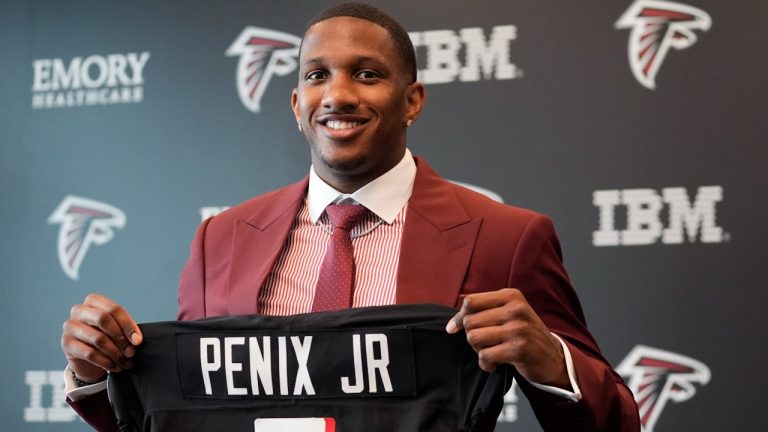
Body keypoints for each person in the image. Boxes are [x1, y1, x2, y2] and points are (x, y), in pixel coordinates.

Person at [61, 3, 640, 431]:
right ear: (296, 104)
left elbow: (616, 422)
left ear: (412, 100)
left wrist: (550, 361)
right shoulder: (223, 238)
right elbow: (190, 417)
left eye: (367, 74)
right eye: (317, 75)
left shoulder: (507, 237)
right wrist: (95, 372)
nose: (338, 95)